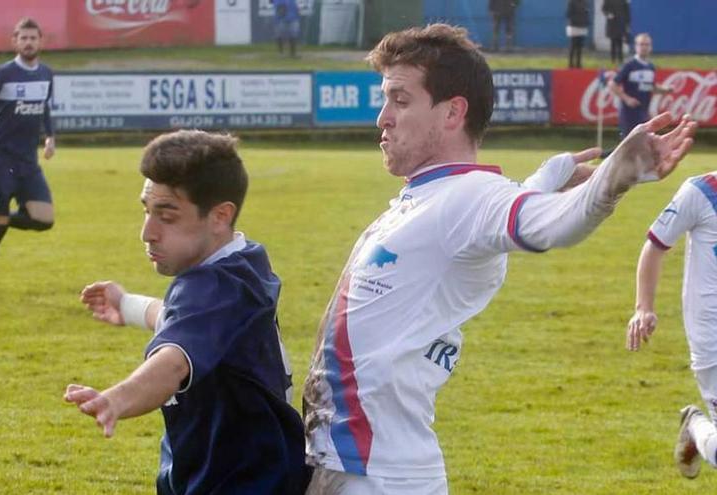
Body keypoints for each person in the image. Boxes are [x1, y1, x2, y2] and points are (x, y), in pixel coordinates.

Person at [301, 24, 696, 495]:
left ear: (452, 113)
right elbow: (491, 217)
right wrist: (544, 179)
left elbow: (552, 224)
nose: (383, 118)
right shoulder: (438, 198)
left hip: (380, 476)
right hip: (351, 463)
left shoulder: (468, 195)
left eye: (400, 101)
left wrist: (614, 177)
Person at [64, 130, 309, 494]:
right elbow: (185, 320)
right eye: (147, 211)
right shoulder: (243, 263)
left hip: (239, 482)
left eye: (167, 216)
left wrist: (117, 399)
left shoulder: (212, 286)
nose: (148, 232)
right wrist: (127, 305)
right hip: (245, 470)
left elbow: (174, 362)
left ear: (219, 216)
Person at [626, 172, 717, 479]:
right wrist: (644, 308)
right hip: (712, 338)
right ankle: (694, 424)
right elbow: (654, 245)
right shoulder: (702, 191)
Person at [0, 17, 56, 302]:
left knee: (44, 219)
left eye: (33, 38)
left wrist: (50, 136)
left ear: (41, 41)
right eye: (23, 38)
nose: (29, 43)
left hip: (27, 162)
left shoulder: (46, 74)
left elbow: (44, 108)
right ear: (15, 42)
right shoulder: (4, 73)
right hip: (0, 159)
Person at [609, 33, 673, 140]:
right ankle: (603, 155)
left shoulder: (650, 67)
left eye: (646, 45)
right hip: (629, 113)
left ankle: (603, 155)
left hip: (643, 111)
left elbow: (649, 87)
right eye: (641, 44)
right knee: (629, 143)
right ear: (636, 46)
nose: (644, 47)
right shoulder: (629, 65)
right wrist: (627, 99)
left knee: (640, 144)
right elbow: (612, 84)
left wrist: (665, 90)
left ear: (650, 47)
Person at [602, 0, 630, 65]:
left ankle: (620, 60)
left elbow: (627, 12)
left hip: (621, 24)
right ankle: (613, 60)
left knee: (620, 43)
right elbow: (603, 9)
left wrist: (627, 24)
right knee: (613, 43)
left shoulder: (624, 1)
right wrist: (608, 14)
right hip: (612, 24)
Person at [566, 0, 589, 68]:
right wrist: (576, 20)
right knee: (573, 46)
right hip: (574, 26)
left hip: (583, 26)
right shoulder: (571, 2)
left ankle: (578, 64)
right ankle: (570, 64)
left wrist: (586, 21)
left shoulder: (585, 2)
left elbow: (586, 13)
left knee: (580, 47)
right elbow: (568, 14)